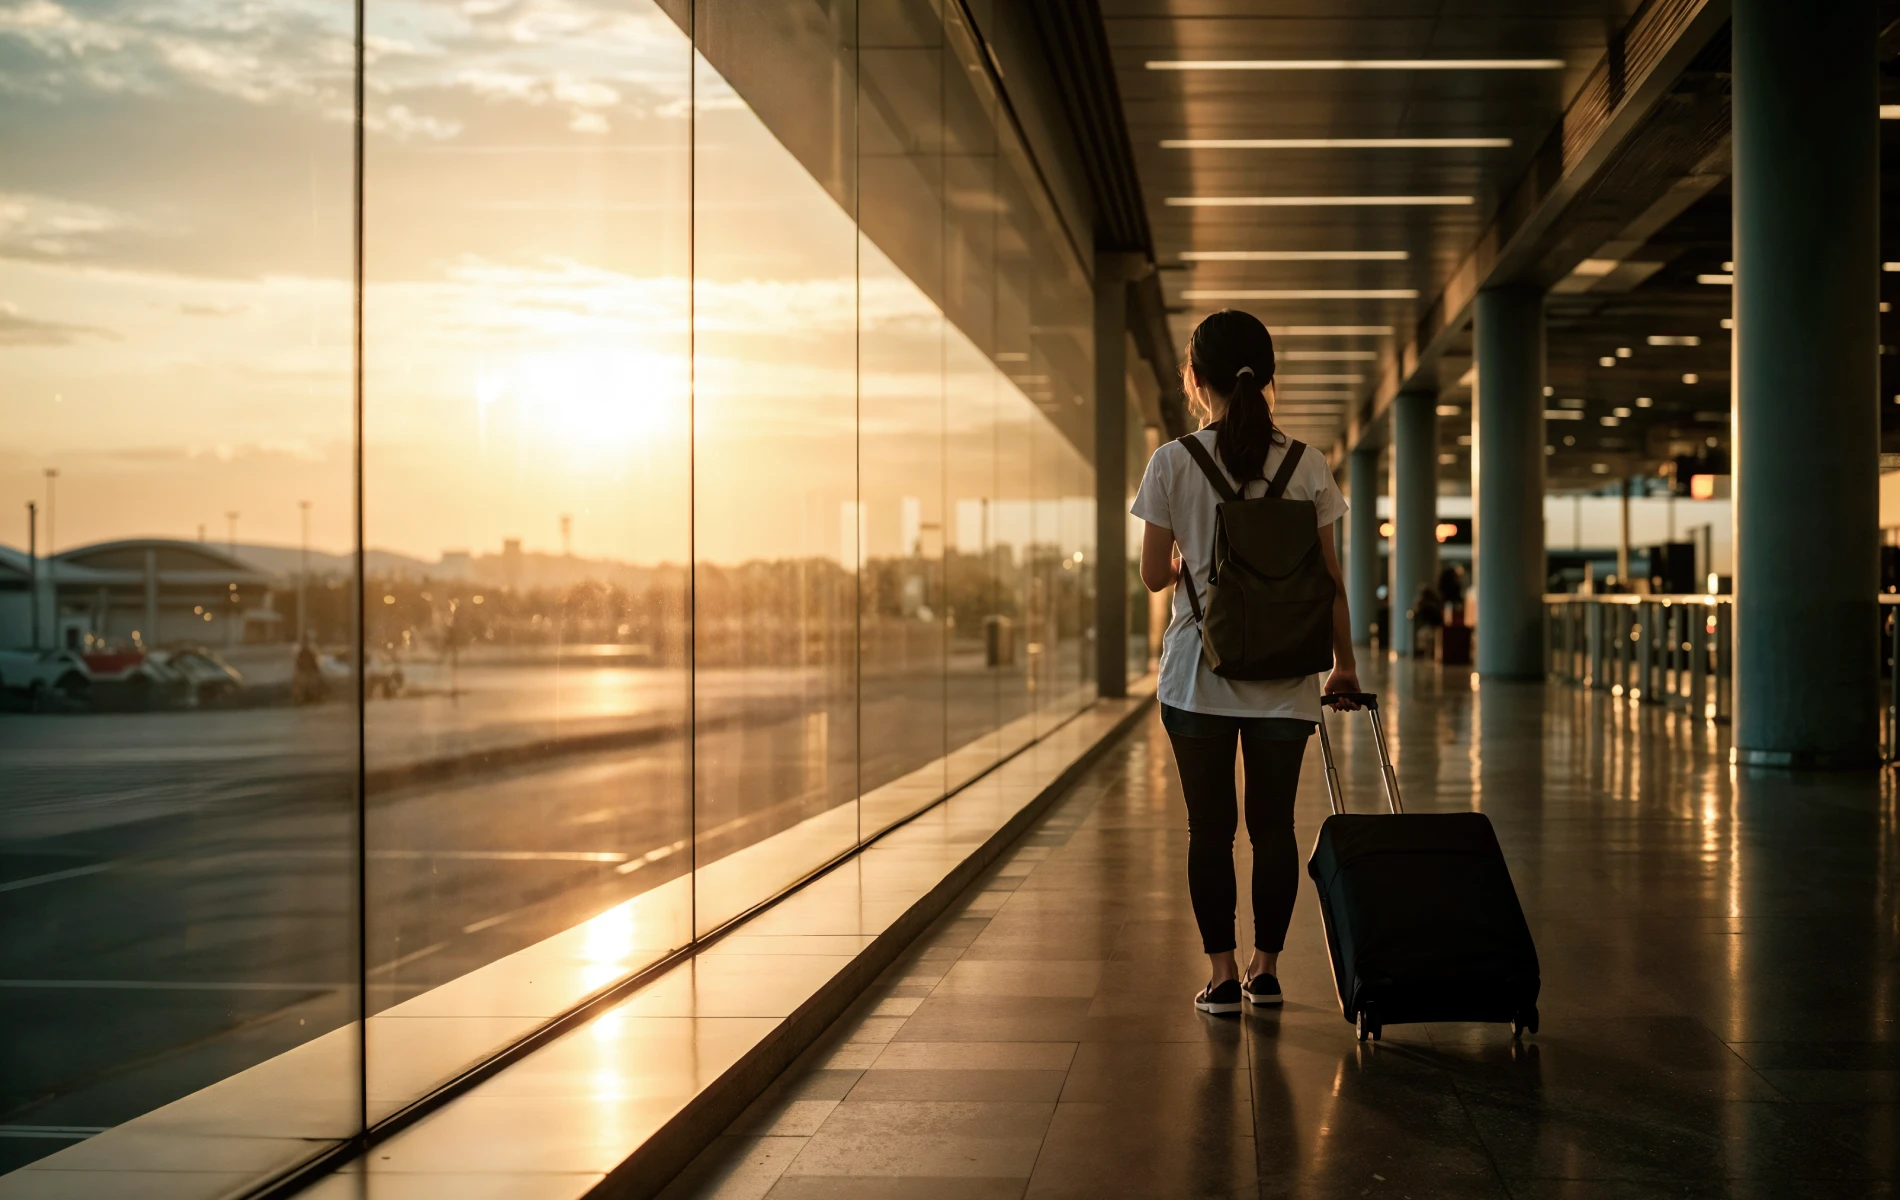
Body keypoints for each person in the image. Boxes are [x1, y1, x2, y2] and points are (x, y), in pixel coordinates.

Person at [1131, 309, 1359, 1015]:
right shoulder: (1308, 464)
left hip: (1197, 678)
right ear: (1266, 377)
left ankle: (1222, 975)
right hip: (1286, 679)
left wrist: (1184, 561)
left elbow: (1151, 576)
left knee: (1209, 830)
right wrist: (1342, 668)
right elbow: (1329, 581)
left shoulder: (1173, 461)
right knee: (1273, 827)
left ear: (1197, 380)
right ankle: (1267, 969)